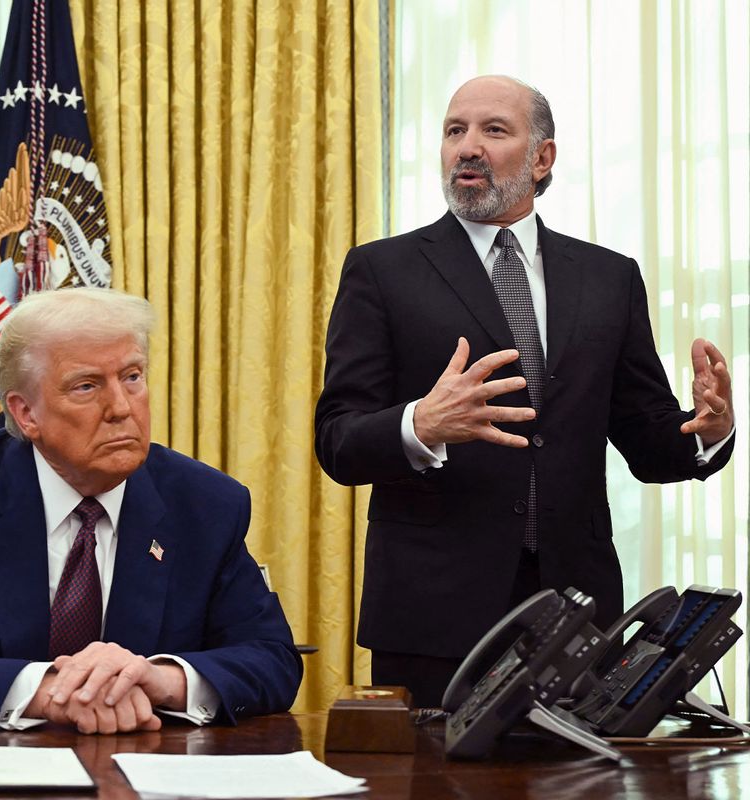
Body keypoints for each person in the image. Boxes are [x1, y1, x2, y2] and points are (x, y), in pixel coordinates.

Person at [314, 75, 735, 707]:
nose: (467, 147)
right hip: (434, 614)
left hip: (578, 610)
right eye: (455, 130)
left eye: (493, 130)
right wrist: (420, 426)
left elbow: (647, 442)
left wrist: (708, 430)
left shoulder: (608, 278)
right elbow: (338, 440)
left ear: (542, 158)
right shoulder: (382, 270)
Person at [0, 287, 302, 733]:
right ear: (25, 414)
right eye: (86, 386)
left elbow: (272, 659)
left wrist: (158, 680)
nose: (122, 407)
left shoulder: (204, 503)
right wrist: (50, 692)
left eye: (132, 377)